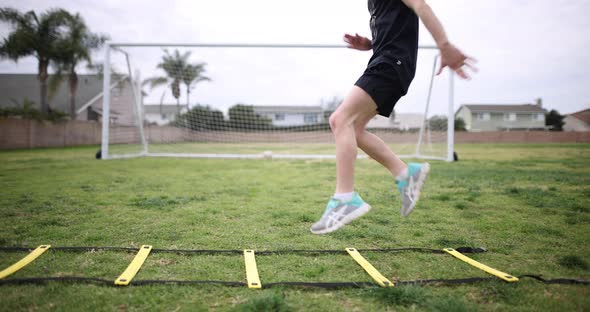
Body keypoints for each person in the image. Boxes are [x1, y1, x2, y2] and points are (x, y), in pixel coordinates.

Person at [311, 0, 476, 234]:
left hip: (391, 63)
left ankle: (345, 198)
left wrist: (444, 45)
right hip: (387, 61)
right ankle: (405, 173)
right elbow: (396, 28)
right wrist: (370, 44)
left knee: (340, 120)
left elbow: (420, 5)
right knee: (353, 129)